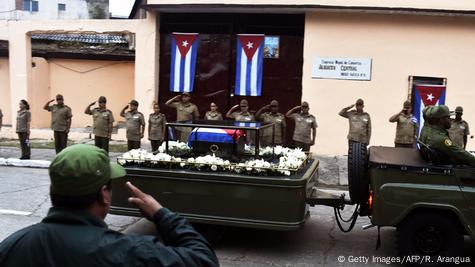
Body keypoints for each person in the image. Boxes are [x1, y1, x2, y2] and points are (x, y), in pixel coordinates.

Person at [0, 144, 219, 267]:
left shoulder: (13, 246)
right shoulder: (126, 252)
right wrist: (163, 215)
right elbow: (204, 261)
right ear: (104, 194)